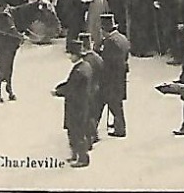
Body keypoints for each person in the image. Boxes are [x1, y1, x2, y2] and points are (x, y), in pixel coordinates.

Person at [53, 35, 97, 167]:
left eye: (71, 55)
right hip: (82, 103)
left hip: (76, 105)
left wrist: (58, 92)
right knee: (74, 130)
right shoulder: (86, 66)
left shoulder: (79, 71)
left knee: (77, 131)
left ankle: (83, 158)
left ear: (76, 55)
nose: (70, 57)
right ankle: (75, 155)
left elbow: (71, 87)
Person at [97, 16, 130, 137]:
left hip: (111, 78)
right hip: (121, 77)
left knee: (112, 103)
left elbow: (106, 62)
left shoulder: (110, 42)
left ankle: (120, 129)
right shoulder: (122, 38)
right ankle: (117, 124)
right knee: (116, 102)